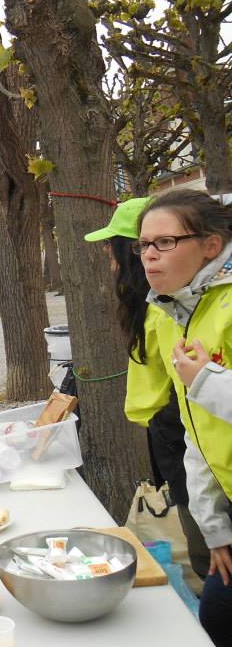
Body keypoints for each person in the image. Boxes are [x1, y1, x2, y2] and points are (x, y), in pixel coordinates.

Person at [85, 198, 209, 591]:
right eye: (142, 246)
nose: (109, 255)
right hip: (171, 433)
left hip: (184, 436)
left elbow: (172, 384)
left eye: (114, 246)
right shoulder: (149, 304)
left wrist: (159, 421)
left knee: (206, 547)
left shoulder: (164, 309)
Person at [126, 189, 232, 646]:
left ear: (211, 245)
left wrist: (205, 381)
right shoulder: (170, 309)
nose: (149, 256)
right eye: (143, 245)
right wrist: (216, 527)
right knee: (216, 619)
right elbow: (198, 431)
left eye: (164, 242)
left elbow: (202, 394)